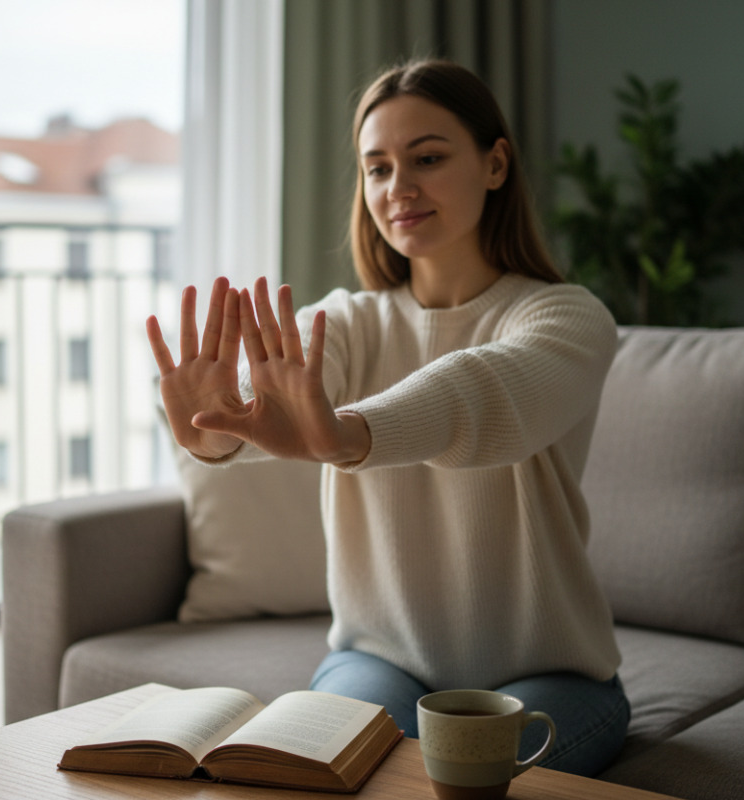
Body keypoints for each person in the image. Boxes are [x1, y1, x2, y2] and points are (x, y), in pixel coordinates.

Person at [146, 59, 629, 776]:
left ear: (494, 164)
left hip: (550, 672)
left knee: (458, 777)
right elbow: (277, 407)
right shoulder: (345, 323)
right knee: (326, 771)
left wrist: (346, 434)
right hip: (379, 662)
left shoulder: (566, 317)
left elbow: (482, 392)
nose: (397, 188)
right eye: (376, 168)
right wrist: (216, 428)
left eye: (427, 158)